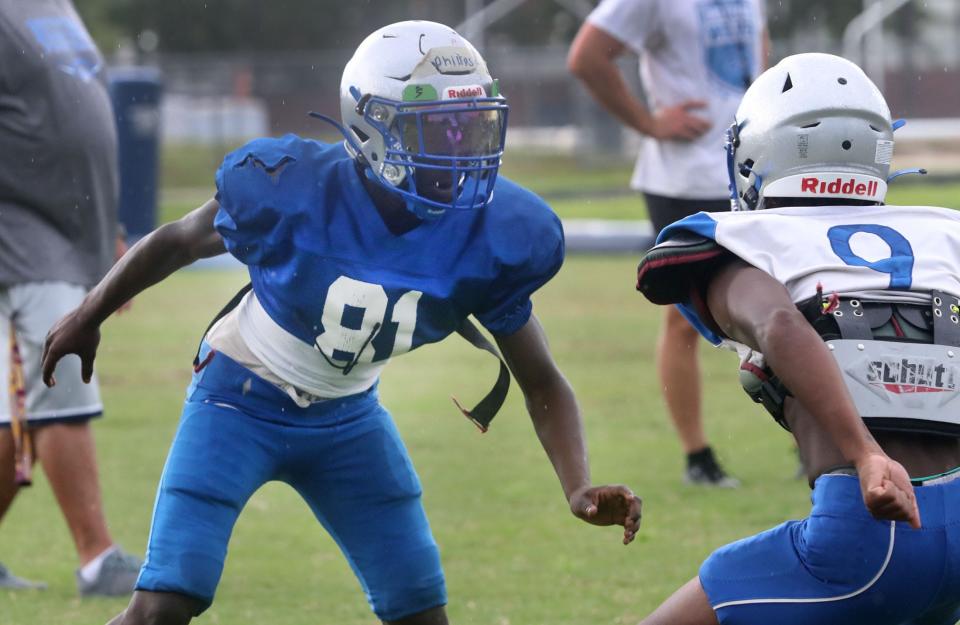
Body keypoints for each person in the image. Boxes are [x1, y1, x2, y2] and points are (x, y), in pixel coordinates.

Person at [42, 20, 642, 625]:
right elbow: (176, 241)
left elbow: (541, 380)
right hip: (237, 399)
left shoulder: (494, 232)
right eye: (437, 129)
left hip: (348, 420)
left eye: (471, 126)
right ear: (371, 126)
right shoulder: (292, 186)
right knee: (164, 604)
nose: (460, 148)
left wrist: (576, 485)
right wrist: (86, 315)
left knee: (420, 610)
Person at [634, 52, 960, 625]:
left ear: (754, 152)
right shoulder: (945, 232)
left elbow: (780, 324)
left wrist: (864, 454)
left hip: (869, 532)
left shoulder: (745, 239)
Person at [568, 0, 768, 487]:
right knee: (685, 322)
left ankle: (809, 438)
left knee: (784, 307)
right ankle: (698, 456)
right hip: (682, 180)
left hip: (752, 173)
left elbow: (760, 53)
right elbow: (586, 56)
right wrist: (649, 123)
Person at [0, 0, 142, 595]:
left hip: (70, 226)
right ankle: (96, 558)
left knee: (15, 409)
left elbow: (78, 122)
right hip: (18, 224)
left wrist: (103, 227)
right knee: (58, 371)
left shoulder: (52, 6)